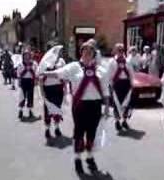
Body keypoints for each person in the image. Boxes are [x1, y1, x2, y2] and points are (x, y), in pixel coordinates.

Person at [42, 42, 110, 175]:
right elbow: (59, 73)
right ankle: (78, 159)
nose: (87, 52)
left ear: (94, 54)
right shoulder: (74, 67)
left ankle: (90, 157)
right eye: (85, 50)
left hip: (95, 105)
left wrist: (107, 107)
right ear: (81, 52)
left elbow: (105, 90)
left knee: (92, 132)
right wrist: (44, 73)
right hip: (80, 105)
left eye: (90, 50)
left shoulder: (101, 70)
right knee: (79, 132)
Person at [38, 46, 66, 140]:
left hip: (58, 88)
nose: (57, 53)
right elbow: (41, 78)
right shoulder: (44, 62)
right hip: (48, 89)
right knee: (47, 110)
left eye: (58, 51)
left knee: (57, 109)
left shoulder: (61, 61)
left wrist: (65, 88)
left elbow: (64, 75)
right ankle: (47, 129)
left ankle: (57, 128)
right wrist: (42, 92)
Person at [109, 43, 134, 131]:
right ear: (115, 51)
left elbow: (131, 74)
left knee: (126, 103)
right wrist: (111, 85)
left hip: (126, 83)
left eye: (122, 49)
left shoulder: (127, 61)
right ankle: (117, 121)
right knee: (116, 103)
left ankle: (124, 121)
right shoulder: (112, 62)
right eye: (118, 49)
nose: (120, 51)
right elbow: (110, 75)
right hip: (117, 84)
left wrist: (132, 84)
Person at [17, 51, 38, 119]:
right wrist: (19, 82)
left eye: (28, 55)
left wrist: (36, 80)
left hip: (31, 81)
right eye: (25, 55)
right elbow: (18, 74)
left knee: (30, 97)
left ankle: (30, 111)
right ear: (23, 56)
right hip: (23, 81)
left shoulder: (34, 63)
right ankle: (20, 111)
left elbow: (36, 72)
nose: (27, 57)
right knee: (22, 96)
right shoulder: (21, 64)